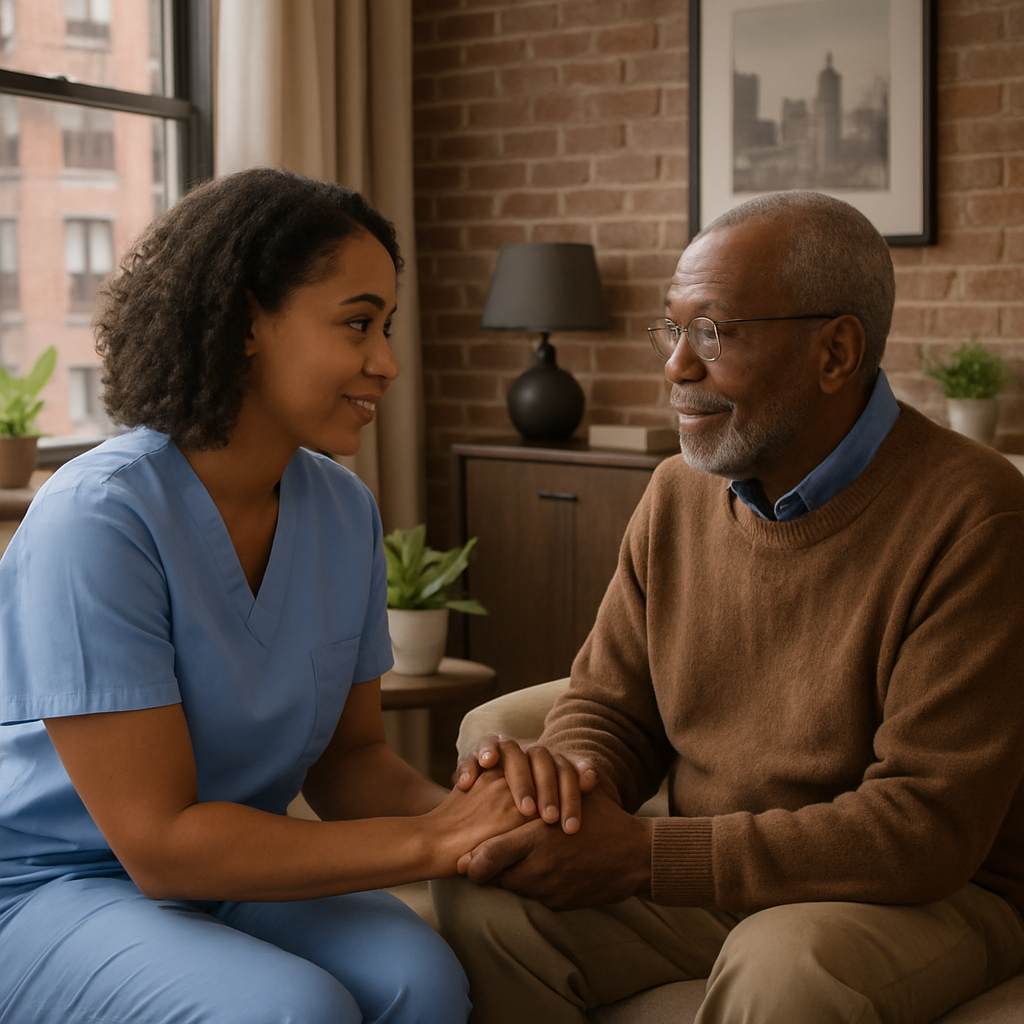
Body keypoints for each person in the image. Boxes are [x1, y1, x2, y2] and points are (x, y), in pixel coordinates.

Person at [431, 190, 1024, 1024]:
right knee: (486, 903)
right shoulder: (677, 493)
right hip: (715, 873)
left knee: (781, 968)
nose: (676, 365)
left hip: (926, 894)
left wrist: (645, 855)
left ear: (836, 352)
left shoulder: (976, 513)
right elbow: (609, 704)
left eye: (712, 332)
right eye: (671, 329)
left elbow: (923, 828)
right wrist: (567, 792)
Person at [0, 168, 529, 1024]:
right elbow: (162, 846)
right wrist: (438, 841)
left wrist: (488, 812)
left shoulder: (342, 510)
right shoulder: (98, 517)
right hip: (54, 885)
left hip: (241, 865)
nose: (387, 363)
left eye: (387, 327)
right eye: (358, 323)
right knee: (291, 1009)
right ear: (248, 321)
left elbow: (350, 763)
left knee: (422, 979)